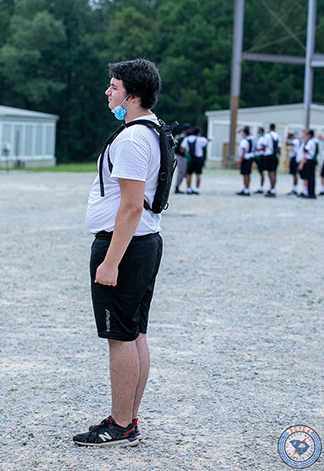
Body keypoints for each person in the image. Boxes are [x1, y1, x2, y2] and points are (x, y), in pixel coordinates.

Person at [73, 58, 163, 447]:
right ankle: (128, 418)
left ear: (133, 96)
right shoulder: (153, 129)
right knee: (134, 332)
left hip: (124, 245)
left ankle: (121, 424)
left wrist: (111, 261)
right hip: (145, 243)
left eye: (114, 87)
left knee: (120, 337)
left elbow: (130, 207)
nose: (107, 93)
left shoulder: (131, 139)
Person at [182, 127, 210, 195]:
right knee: (198, 174)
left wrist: (187, 154)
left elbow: (183, 147)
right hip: (198, 158)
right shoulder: (201, 139)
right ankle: (197, 189)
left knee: (189, 174)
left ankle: (188, 189)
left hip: (190, 158)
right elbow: (206, 141)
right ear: (199, 133)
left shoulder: (187, 138)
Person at [298, 129, 318, 199]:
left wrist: (302, 163)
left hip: (309, 161)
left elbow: (305, 151)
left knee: (309, 178)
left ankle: (310, 193)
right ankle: (311, 192)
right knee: (311, 177)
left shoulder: (310, 142)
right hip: (311, 161)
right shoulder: (314, 141)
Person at [263, 123, 281, 197]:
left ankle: (272, 189)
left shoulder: (267, 135)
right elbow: (279, 147)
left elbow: (264, 146)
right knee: (274, 173)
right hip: (275, 156)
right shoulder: (278, 136)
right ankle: (273, 188)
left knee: (271, 173)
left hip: (269, 155)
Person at [236, 126, 255, 196]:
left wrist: (240, 162)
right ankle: (246, 188)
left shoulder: (244, 141)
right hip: (250, 157)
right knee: (247, 174)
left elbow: (243, 151)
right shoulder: (251, 139)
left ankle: (246, 189)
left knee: (245, 174)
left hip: (246, 158)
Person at [174, 123, 192, 194]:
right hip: (181, 156)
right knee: (181, 172)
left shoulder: (184, 137)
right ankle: (177, 187)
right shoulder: (181, 138)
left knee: (185, 172)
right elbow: (179, 148)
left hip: (184, 157)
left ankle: (186, 187)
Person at [296, 130, 308, 197]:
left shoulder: (306, 143)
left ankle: (306, 191)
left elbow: (305, 154)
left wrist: (302, 163)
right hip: (300, 161)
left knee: (305, 177)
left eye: (303, 135)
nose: (302, 136)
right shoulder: (302, 142)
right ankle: (304, 190)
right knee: (303, 177)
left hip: (303, 162)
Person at [254, 127, 266, 193]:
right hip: (259, 155)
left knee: (261, 172)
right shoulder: (259, 139)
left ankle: (261, 187)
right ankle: (261, 186)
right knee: (260, 172)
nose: (258, 133)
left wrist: (258, 150)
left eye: (258, 131)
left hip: (262, 156)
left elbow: (264, 147)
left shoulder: (263, 139)